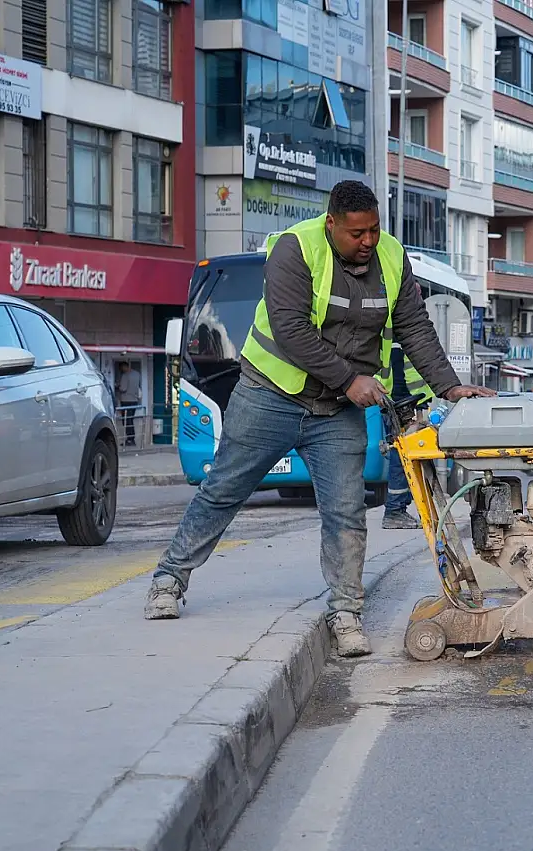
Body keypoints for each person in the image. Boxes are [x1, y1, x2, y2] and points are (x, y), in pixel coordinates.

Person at [142, 180, 494, 656]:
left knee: (346, 511)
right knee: (224, 489)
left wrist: (448, 386)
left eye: (373, 230)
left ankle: (347, 613)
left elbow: (413, 324)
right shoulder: (295, 249)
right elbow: (290, 329)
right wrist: (351, 380)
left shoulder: (391, 256)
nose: (368, 241)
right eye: (356, 233)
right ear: (332, 224)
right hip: (270, 395)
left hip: (335, 413)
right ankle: (169, 579)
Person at [382, 346, 421, 529]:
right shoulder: (397, 339)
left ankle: (399, 508)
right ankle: (395, 511)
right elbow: (399, 377)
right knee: (400, 457)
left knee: (403, 456)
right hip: (401, 405)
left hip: (402, 403)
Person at [117, 361, 142, 447]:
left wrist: (118, 387)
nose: (121, 370)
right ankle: (131, 439)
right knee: (130, 419)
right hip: (134, 400)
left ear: (124, 367)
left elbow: (123, 388)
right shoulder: (137, 374)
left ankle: (130, 439)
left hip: (126, 400)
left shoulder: (125, 375)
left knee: (126, 421)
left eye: (121, 368)